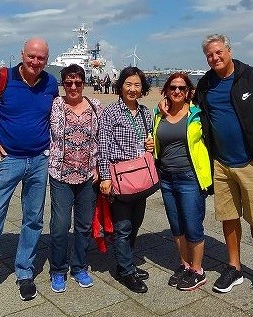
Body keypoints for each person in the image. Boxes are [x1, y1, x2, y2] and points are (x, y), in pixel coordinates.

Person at [0, 38, 59, 315]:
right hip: (8, 160)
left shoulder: (50, 83)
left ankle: (25, 273)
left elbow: (57, 116)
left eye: (41, 58)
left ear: (47, 59)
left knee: (33, 220)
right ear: (22, 55)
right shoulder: (2, 77)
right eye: (31, 56)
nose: (35, 62)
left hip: (40, 160)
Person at [194, 34, 253, 302]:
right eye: (210, 55)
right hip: (221, 164)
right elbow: (193, 109)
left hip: (251, 163)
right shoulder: (206, 84)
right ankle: (234, 267)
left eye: (219, 52)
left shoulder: (252, 77)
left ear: (229, 51)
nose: (215, 58)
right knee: (228, 217)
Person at [153, 72, 212, 291]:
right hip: (166, 178)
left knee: (193, 225)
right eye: (173, 88)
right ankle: (185, 264)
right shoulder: (158, 114)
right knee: (176, 226)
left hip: (190, 178)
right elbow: (153, 138)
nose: (177, 91)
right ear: (166, 90)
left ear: (188, 92)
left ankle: (198, 270)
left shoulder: (198, 114)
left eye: (181, 88)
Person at [98, 66, 154, 293]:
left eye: (137, 85)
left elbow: (149, 141)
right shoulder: (110, 113)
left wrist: (151, 145)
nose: (132, 89)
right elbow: (103, 147)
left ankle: (127, 262)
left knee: (136, 222)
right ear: (120, 86)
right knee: (123, 226)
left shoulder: (145, 113)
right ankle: (126, 271)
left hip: (140, 176)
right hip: (119, 176)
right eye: (128, 84)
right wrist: (104, 177)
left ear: (142, 89)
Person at [48, 64, 102, 292]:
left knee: (84, 225)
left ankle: (79, 266)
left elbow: (103, 138)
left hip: (88, 175)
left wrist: (101, 168)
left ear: (83, 83)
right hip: (60, 174)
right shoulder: (55, 105)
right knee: (60, 226)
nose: (73, 87)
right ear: (63, 83)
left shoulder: (95, 106)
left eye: (77, 83)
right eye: (68, 82)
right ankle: (58, 269)